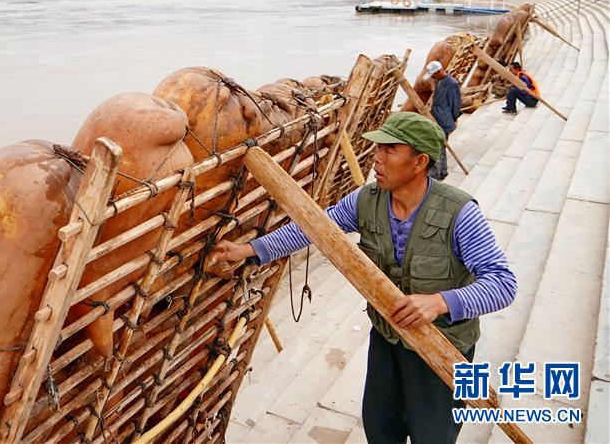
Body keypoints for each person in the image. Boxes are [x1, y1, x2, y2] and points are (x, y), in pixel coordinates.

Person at [208, 112, 517, 444]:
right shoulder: (366, 201)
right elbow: (314, 227)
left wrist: (440, 302)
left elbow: (502, 283)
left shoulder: (459, 214)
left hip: (442, 349)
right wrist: (249, 250)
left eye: (389, 150)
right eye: (378, 148)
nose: (377, 158)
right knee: (380, 427)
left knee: (433, 435)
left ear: (419, 162)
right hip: (387, 339)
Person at [423, 61, 461, 181]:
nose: (433, 77)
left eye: (434, 74)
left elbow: (455, 104)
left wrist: (453, 119)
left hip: (444, 121)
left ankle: (434, 176)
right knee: (441, 146)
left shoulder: (452, 84)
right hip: (437, 118)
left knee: (437, 147)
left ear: (439, 71)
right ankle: (443, 171)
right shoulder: (438, 81)